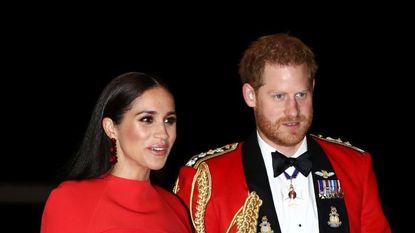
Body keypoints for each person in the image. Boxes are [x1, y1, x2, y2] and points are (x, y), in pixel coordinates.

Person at [174, 33, 391, 233]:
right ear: (250, 95)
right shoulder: (205, 179)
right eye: (279, 96)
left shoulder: (355, 166)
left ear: (312, 89)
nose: (293, 110)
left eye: (301, 94)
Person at [41, 72, 192, 233]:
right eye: (147, 119)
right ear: (111, 128)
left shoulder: (176, 207)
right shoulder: (71, 200)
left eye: (169, 120)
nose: (163, 133)